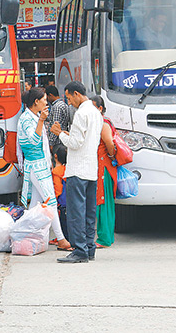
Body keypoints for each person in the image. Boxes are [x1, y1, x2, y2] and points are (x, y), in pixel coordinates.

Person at [50, 81, 103, 264]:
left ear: (77, 94)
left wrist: (59, 133)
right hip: (91, 169)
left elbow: (75, 143)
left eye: (69, 97)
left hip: (78, 169)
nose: (69, 102)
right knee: (89, 211)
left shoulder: (81, 113)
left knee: (75, 212)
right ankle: (89, 248)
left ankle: (79, 251)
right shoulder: (96, 112)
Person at [17, 87, 70, 251]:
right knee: (51, 202)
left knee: (35, 205)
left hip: (39, 165)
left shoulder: (31, 117)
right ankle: (61, 239)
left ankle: (25, 236)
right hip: (36, 166)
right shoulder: (27, 119)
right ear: (36, 102)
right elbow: (33, 141)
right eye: (44, 100)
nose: (47, 103)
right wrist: (41, 121)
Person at [90, 96, 118, 249]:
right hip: (104, 165)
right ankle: (107, 236)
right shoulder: (102, 121)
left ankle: (104, 238)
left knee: (103, 201)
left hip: (104, 166)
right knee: (104, 201)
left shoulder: (103, 123)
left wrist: (111, 156)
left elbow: (109, 143)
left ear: (100, 109)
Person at [52, 144, 68, 241]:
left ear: (55, 156)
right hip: (71, 201)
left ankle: (62, 239)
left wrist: (56, 199)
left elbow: (57, 188)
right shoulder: (67, 169)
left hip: (62, 202)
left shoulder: (56, 171)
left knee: (62, 222)